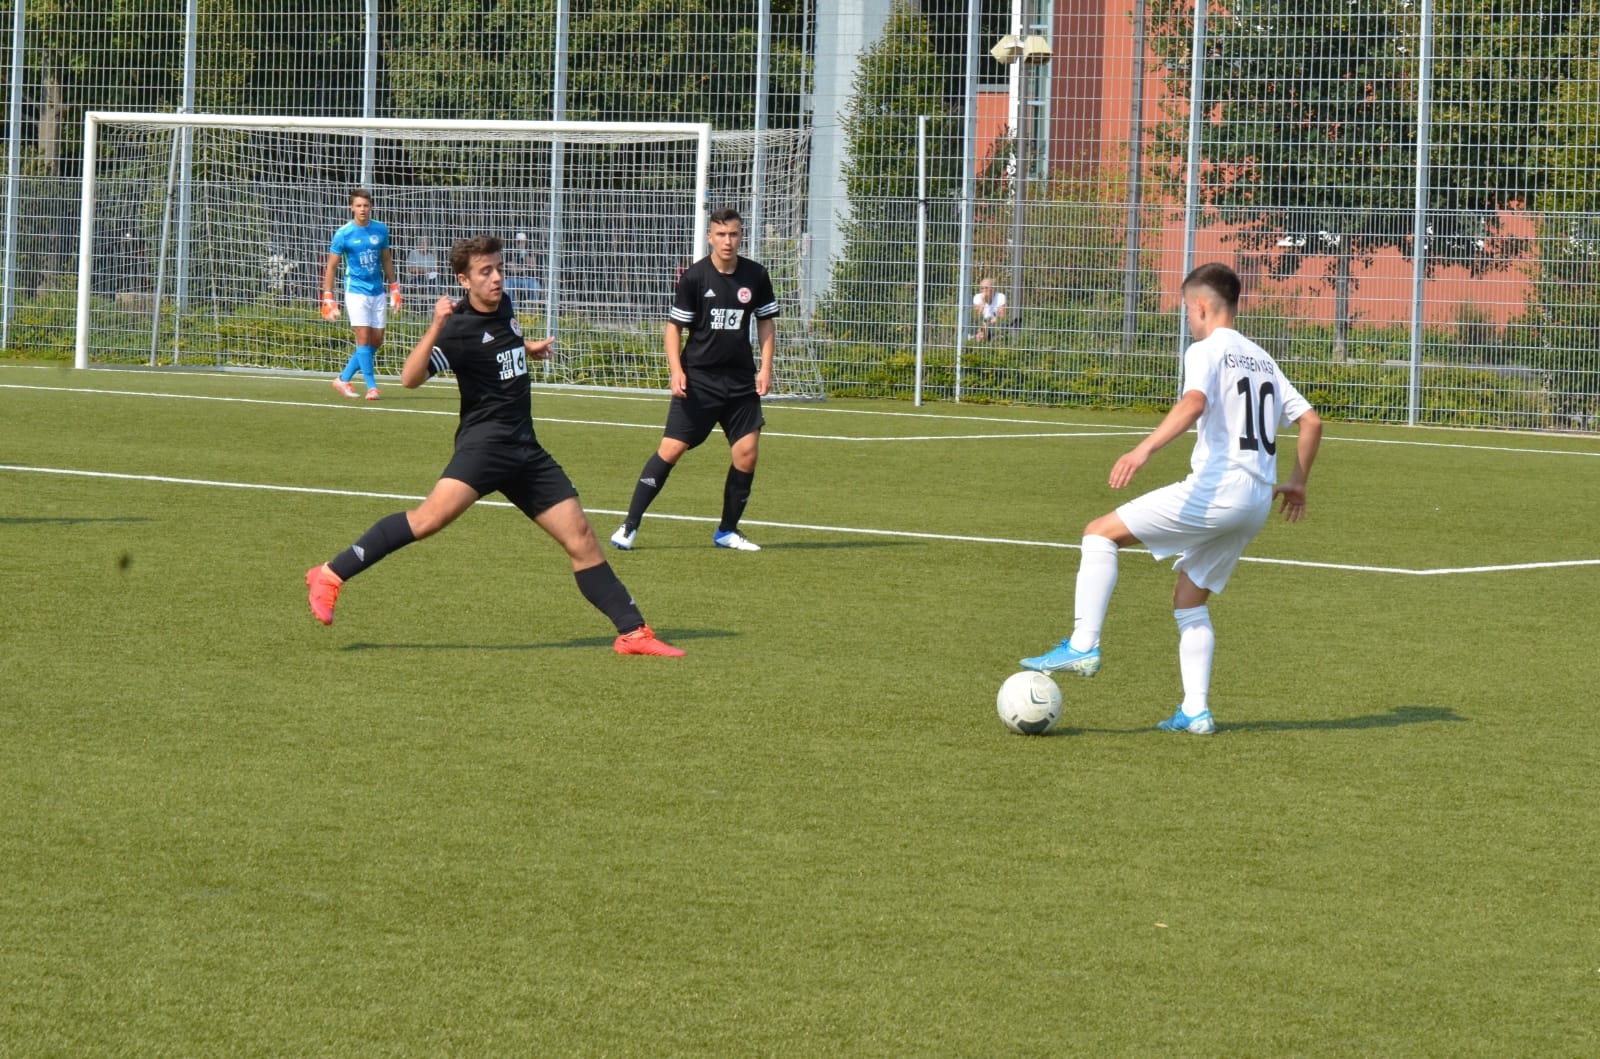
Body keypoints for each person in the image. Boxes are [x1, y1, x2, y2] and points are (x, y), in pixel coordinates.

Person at [305, 235, 684, 658]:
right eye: (485, 272)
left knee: (580, 536)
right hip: (484, 448)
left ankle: (632, 632)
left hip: (525, 449)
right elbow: (410, 379)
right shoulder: (457, 329)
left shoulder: (504, 306)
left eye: (498, 268)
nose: (497, 278)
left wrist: (526, 348)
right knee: (427, 520)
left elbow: (499, 343)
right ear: (464, 280)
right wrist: (435, 326)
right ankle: (330, 574)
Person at [1018, 262, 1323, 735]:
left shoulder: (1206, 350)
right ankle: (1196, 711)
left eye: (1185, 309)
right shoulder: (1262, 359)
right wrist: (1297, 481)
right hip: (1256, 502)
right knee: (1189, 599)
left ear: (1200, 306)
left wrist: (1142, 450)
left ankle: (1082, 644)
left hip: (1218, 489)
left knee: (1099, 534)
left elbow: (1194, 402)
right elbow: (1312, 421)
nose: (1187, 319)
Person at [609, 206, 779, 553]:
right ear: (709, 237)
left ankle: (727, 531)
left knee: (747, 454)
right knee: (671, 449)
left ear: (741, 236)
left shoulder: (756, 275)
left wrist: (765, 368)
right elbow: (674, 328)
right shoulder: (694, 277)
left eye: (733, 234)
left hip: (740, 382)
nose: (727, 241)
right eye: (721, 234)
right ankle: (630, 524)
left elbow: (765, 321)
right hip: (699, 380)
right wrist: (677, 370)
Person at [322, 187, 400, 401]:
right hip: (356, 291)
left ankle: (343, 378)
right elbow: (331, 266)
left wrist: (394, 287)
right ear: (352, 208)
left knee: (377, 340)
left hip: (377, 291)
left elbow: (386, 259)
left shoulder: (381, 230)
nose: (362, 209)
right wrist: (328, 296)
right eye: (358, 205)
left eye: (366, 205)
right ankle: (372, 387)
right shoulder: (343, 233)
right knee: (363, 338)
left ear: (371, 207)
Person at [971, 277, 1008, 341]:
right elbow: (977, 316)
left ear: (993, 288)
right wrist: (983, 301)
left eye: (986, 288)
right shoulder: (977, 297)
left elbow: (1002, 315)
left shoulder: (1000, 297)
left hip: (995, 324)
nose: (984, 290)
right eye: (982, 288)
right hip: (981, 323)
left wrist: (996, 318)